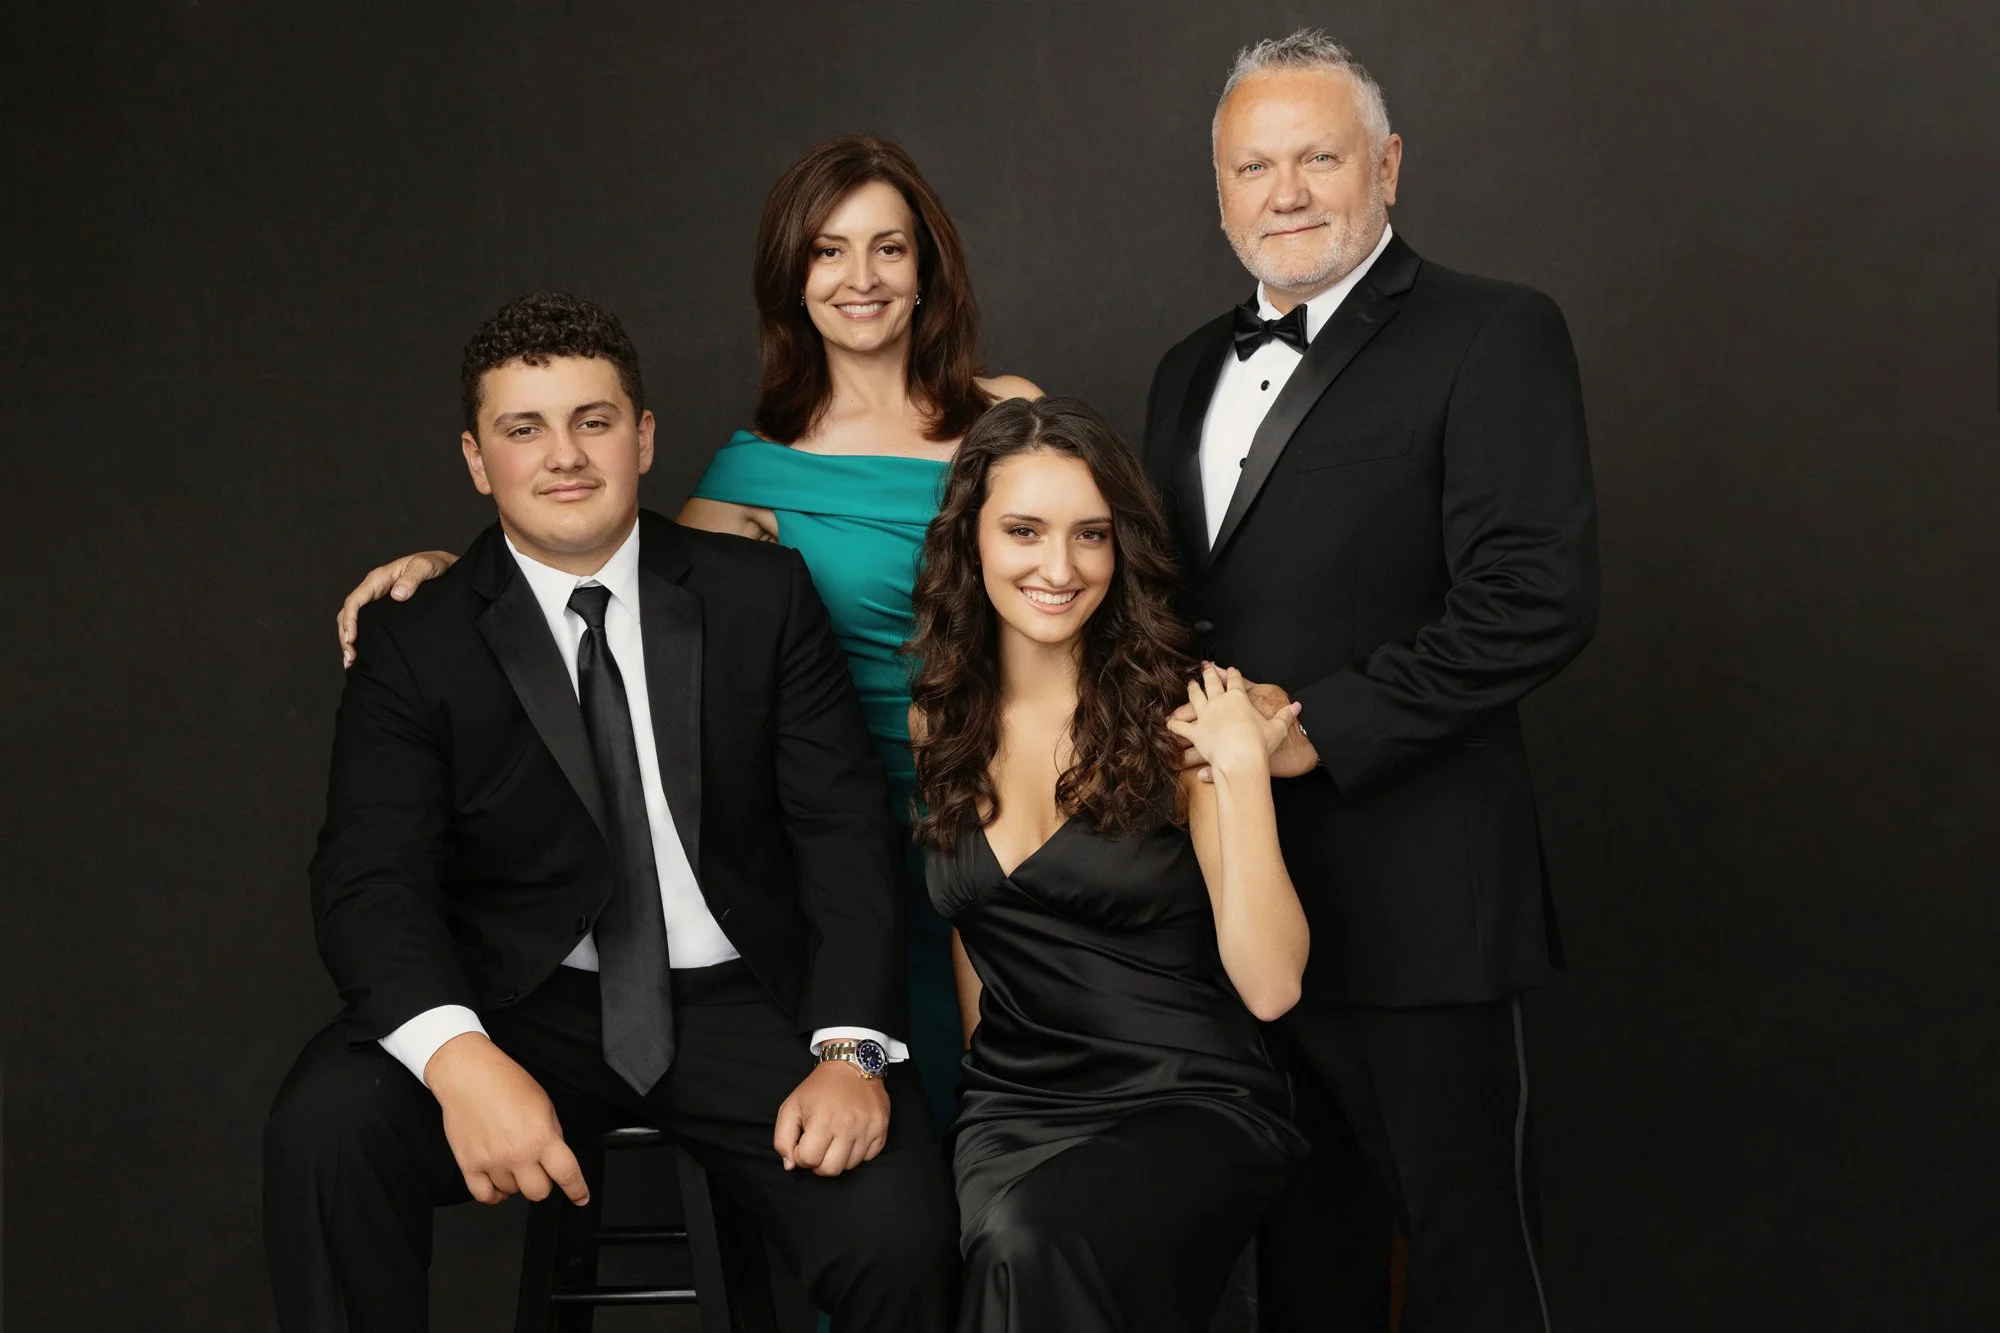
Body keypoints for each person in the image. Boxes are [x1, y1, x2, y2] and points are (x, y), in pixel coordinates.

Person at [264, 292, 958, 1332]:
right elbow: (370, 878)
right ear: (473, 457)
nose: (564, 456)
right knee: (326, 1128)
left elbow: (843, 837)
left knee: (903, 1230)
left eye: (592, 420)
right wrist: (460, 1061)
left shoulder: (760, 596)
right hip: (523, 1002)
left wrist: (849, 1050)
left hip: (744, 1001)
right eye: (523, 428)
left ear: (641, 435)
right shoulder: (418, 637)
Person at [335, 135, 1039, 1130]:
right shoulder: (750, 476)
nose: (861, 277)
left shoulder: (1012, 416)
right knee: (909, 1141)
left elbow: (1100, 577)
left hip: (1025, 812)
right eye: (828, 251)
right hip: (870, 837)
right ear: (790, 278)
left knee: (1038, 1117)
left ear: (927, 267)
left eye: (889, 247)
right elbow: (597, 563)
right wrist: (453, 577)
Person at [1140, 31, 1599, 1333]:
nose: (1284, 192)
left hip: (1424, 896)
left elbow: (1536, 598)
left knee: (1468, 1262)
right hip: (1240, 901)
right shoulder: (1184, 369)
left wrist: (1315, 733)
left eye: (1318, 158)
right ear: (1220, 190)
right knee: (1306, 1262)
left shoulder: (1496, 332)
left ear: (1386, 169)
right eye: (1252, 165)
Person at [907, 395, 1309, 1333]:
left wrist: (1242, 767)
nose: (1060, 567)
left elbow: (1272, 985)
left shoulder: (1185, 721)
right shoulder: (943, 717)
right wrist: (977, 1103)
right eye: (1024, 530)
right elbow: (981, 936)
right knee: (980, 1238)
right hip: (1012, 1107)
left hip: (1191, 1103)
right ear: (970, 541)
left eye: (1091, 534)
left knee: (1032, 1241)